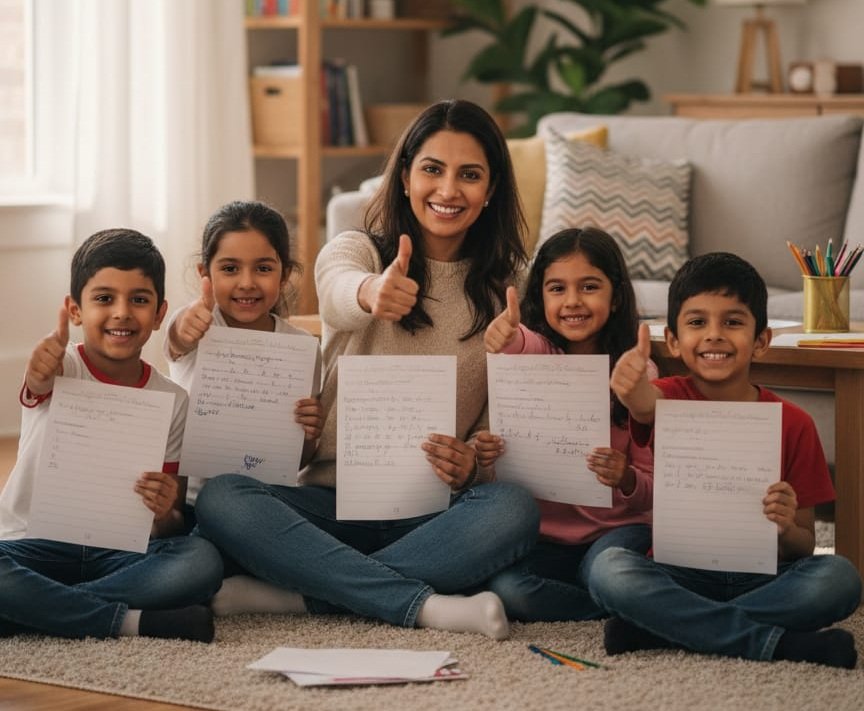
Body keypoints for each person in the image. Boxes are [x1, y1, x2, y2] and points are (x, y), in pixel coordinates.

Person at [194, 99, 540, 640]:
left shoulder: (508, 289)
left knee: (513, 508)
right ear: (404, 177)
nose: (448, 190)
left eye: (469, 175)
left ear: (490, 189)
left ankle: (305, 595)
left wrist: (472, 462)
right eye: (432, 169)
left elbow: (498, 427)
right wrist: (373, 291)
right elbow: (334, 292)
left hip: (433, 512)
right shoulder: (358, 251)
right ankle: (423, 603)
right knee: (222, 498)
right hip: (329, 503)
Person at [591, 251, 862, 668]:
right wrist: (631, 392)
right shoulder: (670, 396)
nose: (714, 335)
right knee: (609, 569)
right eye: (697, 322)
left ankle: (660, 626)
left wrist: (786, 525)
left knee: (839, 578)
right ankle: (784, 644)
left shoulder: (795, 423)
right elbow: (647, 404)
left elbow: (804, 545)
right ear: (675, 341)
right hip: (677, 571)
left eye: (733, 322)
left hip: (765, 573)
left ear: (762, 340)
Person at [0, 229, 223, 642]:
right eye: (104, 298)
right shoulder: (61, 368)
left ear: (159, 315)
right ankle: (127, 621)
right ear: (75, 310)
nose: (122, 312)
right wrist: (38, 369)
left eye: (139, 300)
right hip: (31, 545)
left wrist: (164, 512)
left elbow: (171, 526)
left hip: (120, 553)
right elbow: (38, 382)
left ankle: (32, 610)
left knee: (200, 559)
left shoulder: (173, 399)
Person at [477, 227, 655, 621]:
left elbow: (654, 490)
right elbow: (522, 342)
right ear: (540, 295)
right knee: (508, 590)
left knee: (609, 572)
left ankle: (615, 591)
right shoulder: (539, 356)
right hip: (546, 536)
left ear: (617, 294)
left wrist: (625, 477)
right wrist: (504, 334)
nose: (572, 301)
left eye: (589, 286)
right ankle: (611, 605)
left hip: (618, 531)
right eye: (556, 289)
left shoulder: (636, 375)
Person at [163, 200, 323, 511]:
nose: (247, 282)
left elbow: (298, 460)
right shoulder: (197, 325)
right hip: (197, 504)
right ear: (204, 273)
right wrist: (185, 328)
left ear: (285, 274)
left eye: (263, 268)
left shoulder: (304, 349)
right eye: (230, 268)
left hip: (268, 502)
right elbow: (176, 340)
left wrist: (309, 435)